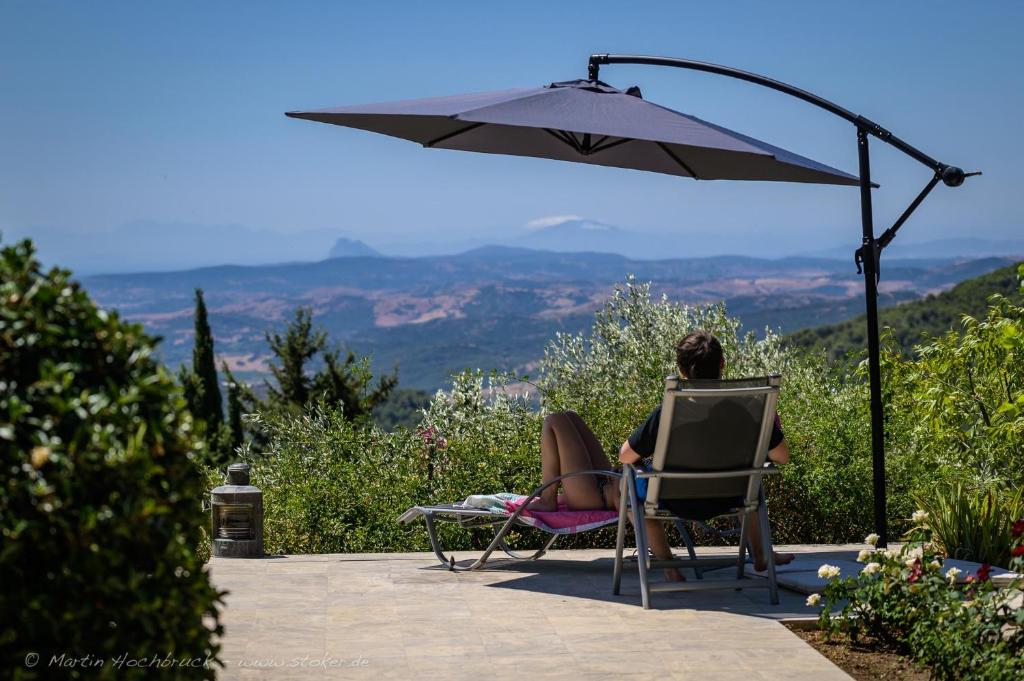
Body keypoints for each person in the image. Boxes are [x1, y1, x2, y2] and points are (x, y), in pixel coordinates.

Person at [528, 329, 794, 581]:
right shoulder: (750, 411)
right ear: (722, 363)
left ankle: (667, 565)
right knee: (570, 418)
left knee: (555, 420)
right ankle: (760, 555)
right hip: (730, 496)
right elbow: (782, 457)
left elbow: (625, 456)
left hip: (610, 495)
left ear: (681, 370)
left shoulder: (670, 411)